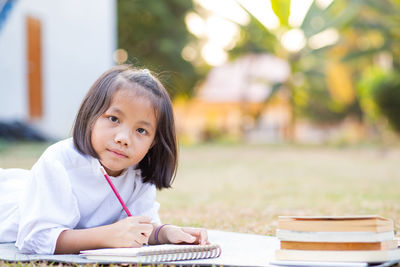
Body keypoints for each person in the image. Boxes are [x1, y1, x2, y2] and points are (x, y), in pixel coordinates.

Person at [0, 65, 208, 254]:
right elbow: (35, 238)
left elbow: (139, 229)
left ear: (153, 142)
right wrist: (108, 236)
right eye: (114, 119)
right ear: (91, 114)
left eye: (141, 130)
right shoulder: (58, 163)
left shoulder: (138, 173)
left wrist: (165, 233)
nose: (123, 138)